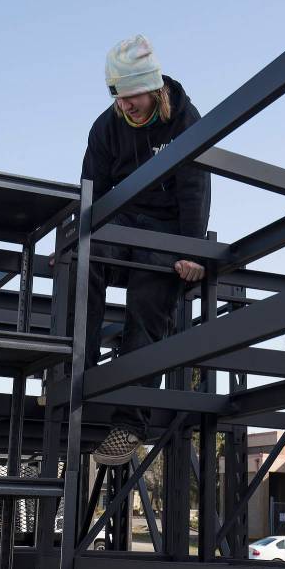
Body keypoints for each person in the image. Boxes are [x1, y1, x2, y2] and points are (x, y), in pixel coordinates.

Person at [82, 35, 210, 466]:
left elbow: (196, 187)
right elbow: (91, 197)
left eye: (132, 95)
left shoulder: (185, 120)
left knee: (149, 300)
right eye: (117, 96)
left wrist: (192, 251)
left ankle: (129, 424)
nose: (126, 105)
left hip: (168, 232)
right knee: (86, 257)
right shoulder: (106, 128)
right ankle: (75, 368)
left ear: (153, 87)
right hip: (124, 224)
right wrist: (70, 246)